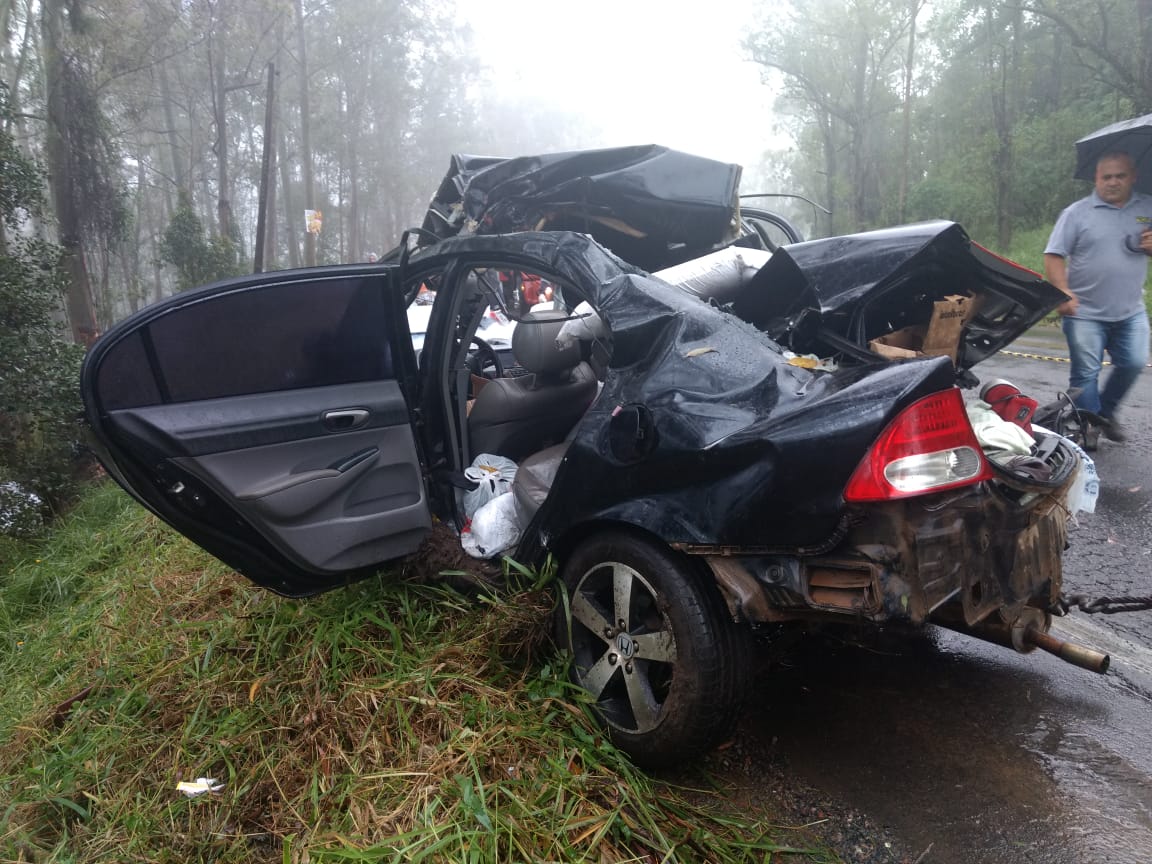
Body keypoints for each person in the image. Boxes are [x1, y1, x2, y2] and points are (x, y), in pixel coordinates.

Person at [1044, 150, 1152, 444]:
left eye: (1120, 176)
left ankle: (1105, 412)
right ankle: (1086, 426)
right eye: (1107, 177)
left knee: (1133, 362)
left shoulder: (1148, 207)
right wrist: (1062, 291)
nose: (1113, 182)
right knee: (1085, 373)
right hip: (1084, 312)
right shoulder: (1076, 213)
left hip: (1130, 310)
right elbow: (1053, 255)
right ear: (1096, 179)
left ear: (1133, 177)